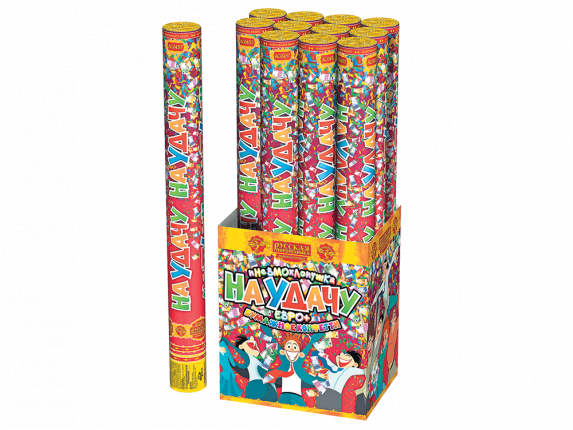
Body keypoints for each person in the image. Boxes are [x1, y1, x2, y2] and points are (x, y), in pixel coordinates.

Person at [262, 326, 324, 407]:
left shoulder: (298, 368)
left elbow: (309, 378)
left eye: (294, 347)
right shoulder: (284, 366)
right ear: (283, 352)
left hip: (297, 398)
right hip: (284, 397)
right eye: (288, 347)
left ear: (300, 354)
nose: (291, 349)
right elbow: (272, 375)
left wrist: (321, 387)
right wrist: (264, 380)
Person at [222, 334, 277, 402]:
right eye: (249, 342)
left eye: (256, 345)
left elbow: (264, 371)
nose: (252, 339)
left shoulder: (257, 360)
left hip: (263, 389)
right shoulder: (248, 357)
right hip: (259, 387)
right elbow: (262, 372)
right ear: (241, 346)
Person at [218, 321, 242, 397]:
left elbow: (228, 354)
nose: (219, 334)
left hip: (227, 365)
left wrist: (233, 363)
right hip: (223, 366)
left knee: (229, 376)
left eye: (219, 330)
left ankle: (228, 393)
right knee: (225, 376)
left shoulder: (222, 343)